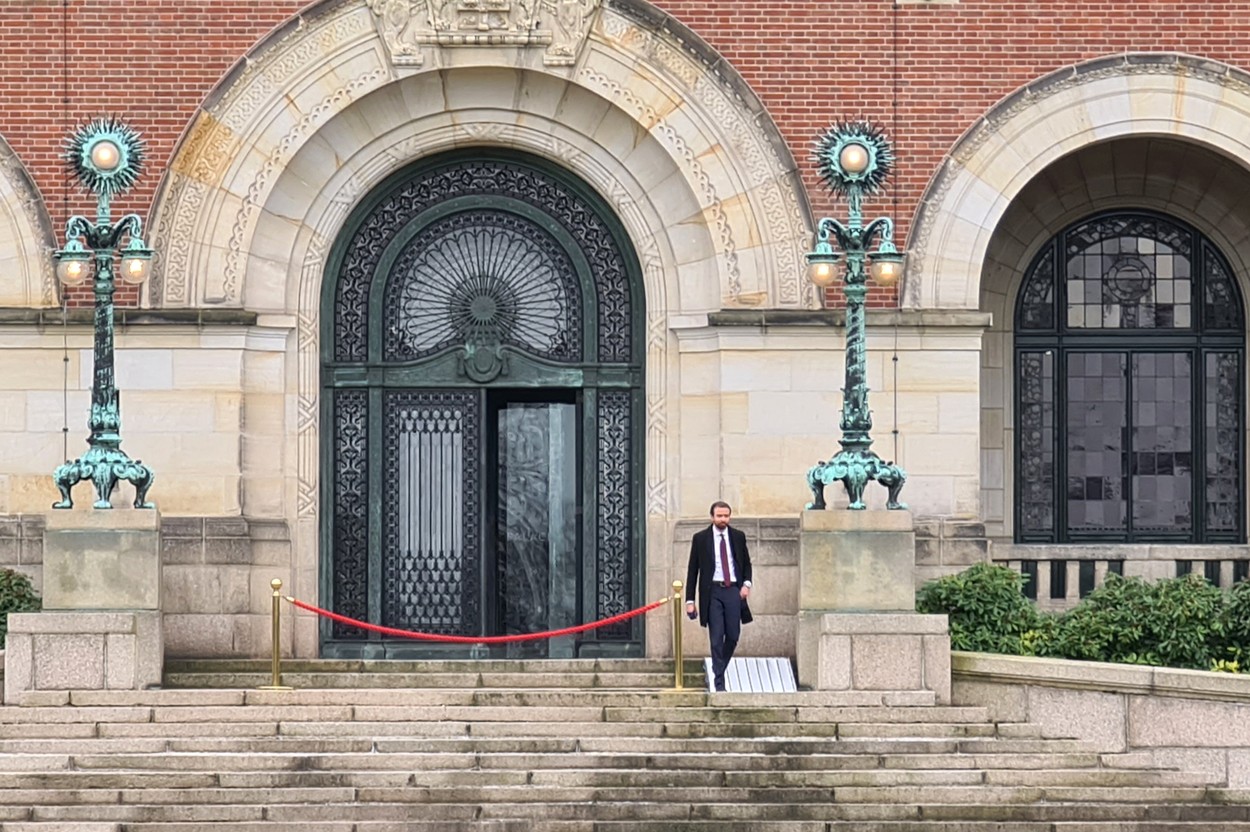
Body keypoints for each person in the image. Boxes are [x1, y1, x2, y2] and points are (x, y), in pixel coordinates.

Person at [685, 500, 753, 692]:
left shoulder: (738, 536)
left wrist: (746, 584)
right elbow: (693, 570)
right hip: (712, 591)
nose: (723, 519)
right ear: (712, 517)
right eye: (719, 516)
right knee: (716, 637)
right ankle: (719, 681)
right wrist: (690, 601)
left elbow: (746, 563)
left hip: (733, 590)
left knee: (733, 634)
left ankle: (718, 667)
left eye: (726, 516)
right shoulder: (700, 538)